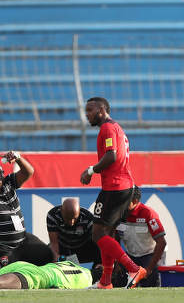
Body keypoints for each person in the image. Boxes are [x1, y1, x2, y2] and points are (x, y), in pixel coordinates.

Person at [80, 97, 146, 289]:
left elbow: (111, 156)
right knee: (107, 233)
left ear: (102, 109)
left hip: (115, 188)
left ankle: (133, 269)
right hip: (122, 186)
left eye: (90, 110)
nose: (87, 114)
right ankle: (106, 281)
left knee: (98, 234)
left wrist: (91, 170)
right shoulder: (116, 128)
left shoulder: (108, 128)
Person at [0, 152, 54, 271]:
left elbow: (28, 172)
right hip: (1, 246)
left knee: (48, 256)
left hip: (22, 241)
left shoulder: (8, 183)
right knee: (6, 276)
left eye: (1, 171)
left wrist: (17, 158)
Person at [116, 187, 166, 287]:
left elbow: (162, 242)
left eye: (125, 200)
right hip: (129, 255)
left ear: (135, 201)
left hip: (149, 255)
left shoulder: (148, 214)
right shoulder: (118, 213)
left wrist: (149, 269)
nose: (121, 202)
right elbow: (114, 239)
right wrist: (116, 261)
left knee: (150, 286)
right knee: (120, 282)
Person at [47, 198, 101, 266]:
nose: (71, 222)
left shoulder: (88, 218)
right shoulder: (53, 215)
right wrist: (56, 259)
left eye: (74, 218)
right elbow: (54, 243)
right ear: (61, 211)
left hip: (83, 249)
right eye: (68, 218)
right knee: (46, 253)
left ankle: (97, 270)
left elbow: (97, 242)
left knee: (100, 248)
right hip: (63, 248)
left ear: (79, 212)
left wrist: (101, 262)